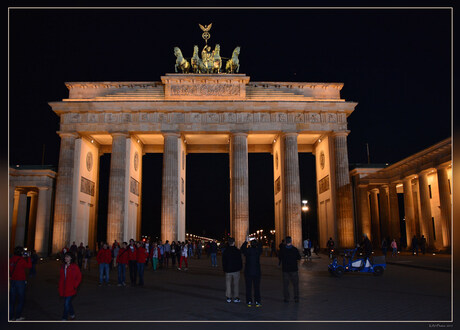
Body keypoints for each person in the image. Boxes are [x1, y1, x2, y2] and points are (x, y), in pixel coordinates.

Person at [9, 246, 32, 321]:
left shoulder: (11, 259)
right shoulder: (21, 260)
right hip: (20, 282)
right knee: (21, 300)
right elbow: (29, 266)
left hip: (12, 281)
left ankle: (11, 317)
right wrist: (28, 257)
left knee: (12, 300)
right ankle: (18, 316)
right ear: (21, 252)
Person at [59, 252, 82, 321]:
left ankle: (64, 317)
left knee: (66, 303)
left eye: (68, 257)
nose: (66, 258)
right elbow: (61, 278)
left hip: (71, 288)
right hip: (64, 288)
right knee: (68, 303)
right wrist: (60, 287)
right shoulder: (63, 266)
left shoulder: (74, 267)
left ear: (71, 258)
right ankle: (72, 314)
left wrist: (75, 285)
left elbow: (79, 277)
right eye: (65, 257)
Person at [241, 238, 262, 307]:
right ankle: (257, 302)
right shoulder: (258, 251)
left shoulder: (247, 251)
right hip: (257, 272)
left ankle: (249, 301)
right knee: (257, 288)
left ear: (250, 244)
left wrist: (246, 241)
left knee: (248, 287)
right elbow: (260, 247)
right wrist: (257, 241)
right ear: (256, 245)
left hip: (248, 272)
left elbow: (242, 249)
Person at [279, 236, 301, 303]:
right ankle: (296, 298)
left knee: (286, 285)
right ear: (291, 241)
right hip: (294, 269)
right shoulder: (295, 249)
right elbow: (299, 258)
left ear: (286, 241)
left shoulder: (282, 250)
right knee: (295, 285)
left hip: (285, 270)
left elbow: (280, 258)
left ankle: (286, 298)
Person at [222, 237, 243, 303]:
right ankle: (236, 297)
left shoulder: (225, 251)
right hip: (236, 270)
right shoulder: (237, 251)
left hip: (228, 270)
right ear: (234, 242)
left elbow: (223, 261)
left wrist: (224, 269)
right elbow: (240, 261)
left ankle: (228, 297)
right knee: (236, 284)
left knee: (228, 284)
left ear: (228, 243)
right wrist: (240, 268)